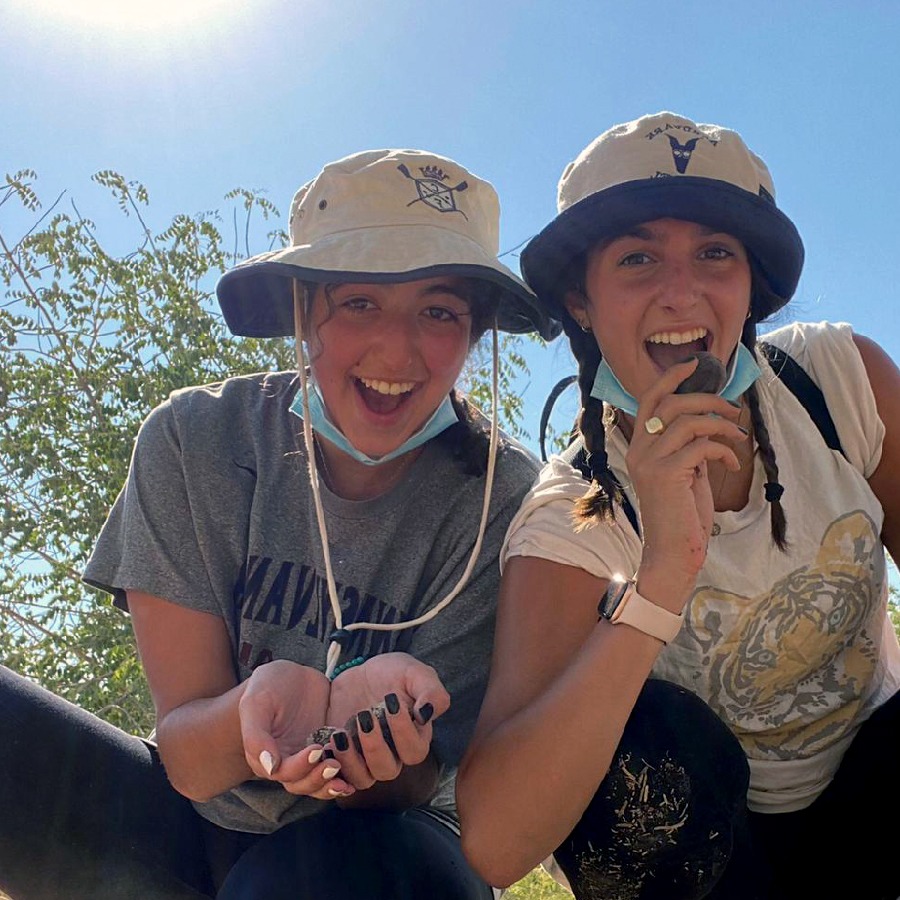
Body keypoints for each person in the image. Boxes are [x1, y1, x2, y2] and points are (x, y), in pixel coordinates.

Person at [0, 148, 559, 900]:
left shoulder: (506, 499)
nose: (396, 349)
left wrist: (365, 760)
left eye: (438, 311)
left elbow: (429, 786)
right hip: (184, 819)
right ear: (300, 309)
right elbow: (190, 759)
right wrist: (247, 717)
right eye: (358, 302)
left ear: (476, 334)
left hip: (380, 849)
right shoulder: (192, 439)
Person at [456, 112, 900, 900]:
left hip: (873, 810)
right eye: (637, 258)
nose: (680, 291)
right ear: (580, 302)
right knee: (647, 744)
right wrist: (662, 576)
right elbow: (493, 843)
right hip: (707, 863)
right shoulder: (569, 517)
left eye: (715, 254)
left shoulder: (837, 382)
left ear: (750, 287)